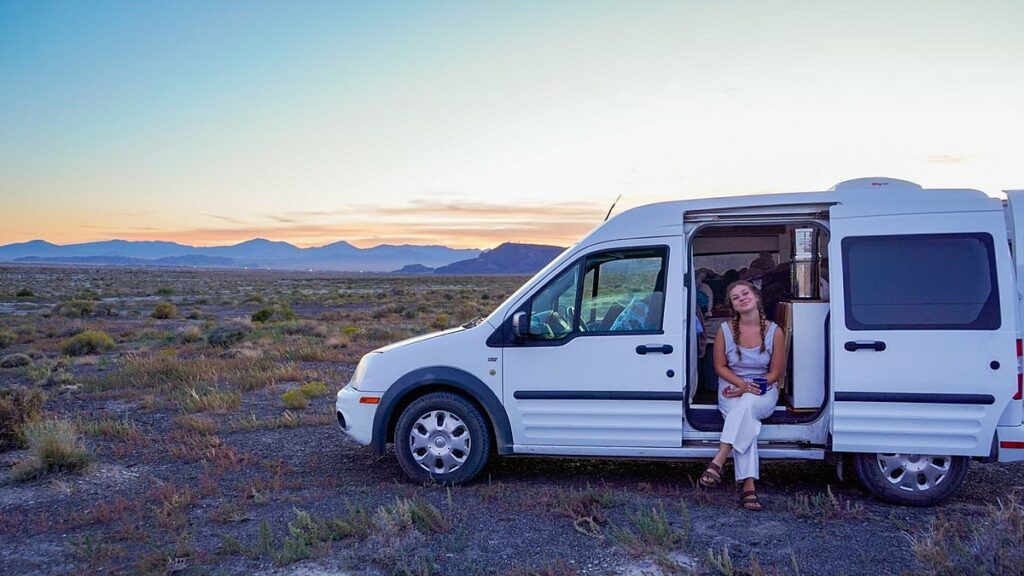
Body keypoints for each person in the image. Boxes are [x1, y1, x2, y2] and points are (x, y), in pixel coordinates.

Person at [697, 280, 786, 511]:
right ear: (733, 306)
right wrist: (742, 385)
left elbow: (775, 373)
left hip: (763, 388)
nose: (742, 298)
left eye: (745, 293)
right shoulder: (725, 330)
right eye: (736, 297)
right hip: (731, 386)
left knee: (745, 408)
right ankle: (748, 487)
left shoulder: (775, 331)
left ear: (756, 297)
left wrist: (750, 386)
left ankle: (719, 458)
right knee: (747, 420)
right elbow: (720, 367)